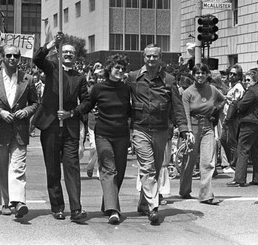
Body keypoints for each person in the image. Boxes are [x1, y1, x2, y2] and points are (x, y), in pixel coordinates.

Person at [126, 44, 190, 224]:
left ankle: (143, 203)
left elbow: (177, 107)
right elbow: (123, 102)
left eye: (155, 56)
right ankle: (153, 207)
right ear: (143, 57)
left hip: (161, 130)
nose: (151, 59)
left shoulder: (169, 80)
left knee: (154, 167)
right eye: (148, 56)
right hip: (140, 129)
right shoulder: (133, 78)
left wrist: (184, 128)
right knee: (148, 167)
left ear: (160, 58)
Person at [32, 33, 90, 221]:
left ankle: (76, 209)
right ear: (59, 53)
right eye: (64, 52)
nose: (68, 55)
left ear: (76, 56)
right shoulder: (52, 69)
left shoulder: (80, 78)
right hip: (50, 125)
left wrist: (71, 113)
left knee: (72, 168)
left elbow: (86, 102)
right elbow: (37, 58)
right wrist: (50, 44)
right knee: (53, 169)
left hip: (70, 127)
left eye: (71, 53)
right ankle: (57, 207)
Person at [0, 45, 38, 218]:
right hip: (0, 130)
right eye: (9, 55)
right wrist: (0, 112)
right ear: (3, 58)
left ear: (19, 58)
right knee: (2, 167)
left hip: (20, 130)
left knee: (18, 166)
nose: (12, 58)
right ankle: (6, 201)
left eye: (16, 56)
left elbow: (35, 103)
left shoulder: (28, 79)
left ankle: (19, 201)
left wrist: (26, 111)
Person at [83, 54, 131, 224]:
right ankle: (114, 210)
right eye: (117, 67)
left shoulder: (126, 89)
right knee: (108, 170)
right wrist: (71, 112)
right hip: (103, 133)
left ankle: (107, 203)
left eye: (122, 68)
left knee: (120, 172)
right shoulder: (98, 88)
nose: (120, 70)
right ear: (109, 68)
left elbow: (130, 111)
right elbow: (87, 106)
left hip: (122, 135)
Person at [181, 63, 224, 204]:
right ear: (193, 75)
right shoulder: (187, 93)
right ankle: (184, 189)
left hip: (207, 127)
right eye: (197, 73)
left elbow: (222, 100)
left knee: (207, 162)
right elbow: (185, 114)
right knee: (189, 161)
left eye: (203, 73)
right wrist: (188, 132)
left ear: (207, 75)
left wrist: (216, 110)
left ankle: (206, 195)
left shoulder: (213, 90)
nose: (200, 75)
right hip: (192, 127)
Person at [227, 69, 258, 187]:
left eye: (248, 80)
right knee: (254, 149)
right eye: (245, 80)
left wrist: (236, 101)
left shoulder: (252, 91)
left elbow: (241, 105)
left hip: (249, 122)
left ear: (256, 80)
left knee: (242, 149)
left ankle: (239, 179)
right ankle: (257, 178)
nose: (246, 82)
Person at [222, 64, 245, 171]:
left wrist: (228, 118)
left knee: (232, 142)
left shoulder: (238, 88)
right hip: (228, 116)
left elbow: (235, 104)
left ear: (239, 76)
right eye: (230, 73)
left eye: (234, 74)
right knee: (224, 140)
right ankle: (232, 162)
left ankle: (234, 164)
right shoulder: (233, 87)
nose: (231, 76)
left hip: (233, 118)